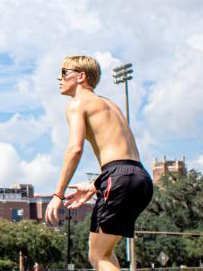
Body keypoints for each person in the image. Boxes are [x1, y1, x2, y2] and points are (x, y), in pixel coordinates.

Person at [44, 55, 153, 271]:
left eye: (64, 72)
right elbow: (124, 159)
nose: (59, 78)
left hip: (118, 178)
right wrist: (95, 185)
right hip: (141, 178)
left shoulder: (77, 104)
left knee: (98, 255)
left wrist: (58, 195)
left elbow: (75, 149)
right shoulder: (110, 105)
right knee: (105, 253)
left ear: (81, 76)